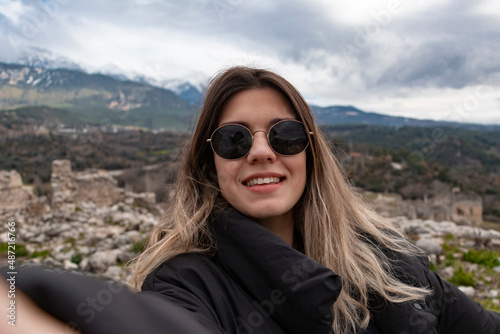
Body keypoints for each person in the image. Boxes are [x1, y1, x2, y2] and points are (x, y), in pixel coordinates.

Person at [2, 66, 499, 334]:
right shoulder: (188, 282)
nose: (261, 151)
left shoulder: (387, 259)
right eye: (234, 140)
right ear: (209, 161)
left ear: (310, 151)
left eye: (284, 135)